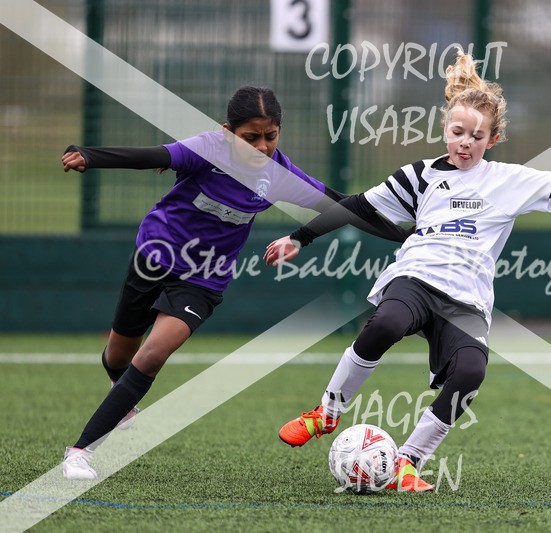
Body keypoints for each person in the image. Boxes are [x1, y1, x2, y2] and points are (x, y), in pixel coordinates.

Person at [264, 51, 551, 492]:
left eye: (477, 136)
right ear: (445, 129)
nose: (465, 142)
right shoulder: (419, 175)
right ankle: (327, 412)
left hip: (466, 298)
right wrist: (300, 237)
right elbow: (357, 206)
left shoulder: (506, 180)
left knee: (470, 372)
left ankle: (407, 463)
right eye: (457, 132)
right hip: (417, 277)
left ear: (493, 139)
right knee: (385, 323)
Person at [60, 85, 410, 480]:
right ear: (228, 132)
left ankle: (79, 452)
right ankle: (119, 385)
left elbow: (345, 206)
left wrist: (409, 235)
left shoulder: (279, 175)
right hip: (155, 255)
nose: (262, 147)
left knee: (153, 354)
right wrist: (91, 156)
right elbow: (153, 156)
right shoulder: (207, 150)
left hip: (204, 278)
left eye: (270, 136)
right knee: (118, 356)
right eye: (250, 138)